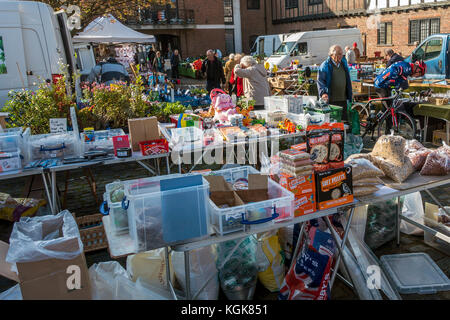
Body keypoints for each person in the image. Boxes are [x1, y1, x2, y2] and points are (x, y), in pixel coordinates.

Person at [317, 45, 353, 121]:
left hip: (343, 98)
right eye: (339, 54)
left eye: (341, 54)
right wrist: (323, 93)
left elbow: (347, 79)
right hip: (332, 100)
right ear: (332, 55)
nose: (341, 56)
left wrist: (350, 94)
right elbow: (320, 81)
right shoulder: (325, 65)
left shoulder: (343, 63)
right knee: (334, 123)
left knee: (344, 122)